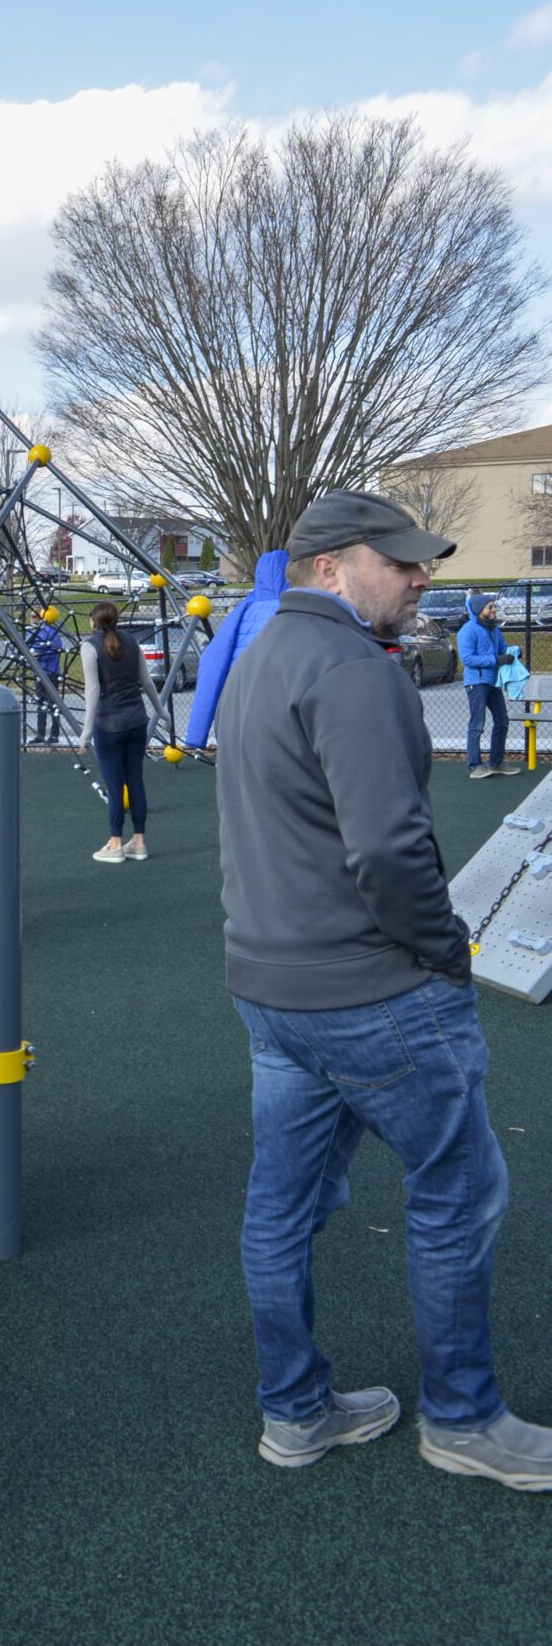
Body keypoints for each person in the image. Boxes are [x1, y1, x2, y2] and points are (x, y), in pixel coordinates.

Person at [217, 487, 552, 1489]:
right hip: (370, 990)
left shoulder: (260, 652)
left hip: (272, 988)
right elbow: (391, 849)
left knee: (282, 1206)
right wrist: (448, 946)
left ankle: (296, 1410)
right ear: (332, 565)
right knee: (459, 1188)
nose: (421, 577)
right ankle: (462, 1417)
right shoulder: (351, 667)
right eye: (399, 561)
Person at [77, 601, 162, 864]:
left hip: (109, 725)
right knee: (135, 780)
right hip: (137, 722)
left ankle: (115, 843)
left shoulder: (89, 646)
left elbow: (92, 691)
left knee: (115, 786)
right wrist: (161, 711)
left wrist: (86, 731)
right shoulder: (131, 641)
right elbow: (145, 682)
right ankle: (139, 842)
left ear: (94, 621)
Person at [184, 551, 288, 752]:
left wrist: (197, 734)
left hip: (238, 708)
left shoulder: (243, 610)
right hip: (278, 713)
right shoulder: (297, 608)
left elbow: (212, 666)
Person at [456, 592, 521, 780]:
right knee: (477, 724)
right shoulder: (467, 630)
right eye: (490, 607)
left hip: (493, 682)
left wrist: (513, 654)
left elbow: (502, 649)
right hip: (476, 683)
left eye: (494, 606)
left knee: (502, 720)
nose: (494, 610)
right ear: (479, 610)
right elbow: (467, 659)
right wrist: (496, 659)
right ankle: (475, 766)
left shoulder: (494, 629)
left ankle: (497, 762)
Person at [24, 609, 66, 744]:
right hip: (38, 672)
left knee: (53, 704)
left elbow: (57, 649)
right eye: (30, 616)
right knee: (40, 703)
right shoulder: (30, 631)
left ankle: (54, 735)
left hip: (50, 672)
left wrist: (40, 655)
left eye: (35, 616)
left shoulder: (50, 631)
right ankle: (40, 734)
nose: (32, 619)